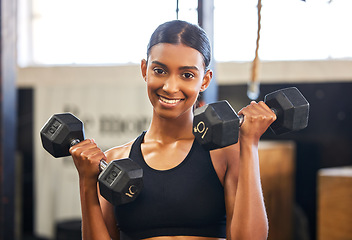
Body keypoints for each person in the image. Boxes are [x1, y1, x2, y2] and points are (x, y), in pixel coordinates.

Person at [69, 20, 274, 240]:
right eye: (160, 70)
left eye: (187, 75)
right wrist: (87, 183)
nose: (170, 87)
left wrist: (249, 144)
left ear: (204, 80)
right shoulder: (114, 161)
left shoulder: (224, 154)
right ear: (144, 70)